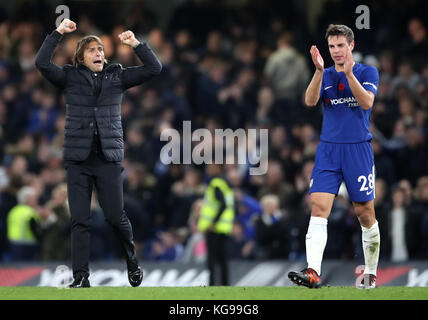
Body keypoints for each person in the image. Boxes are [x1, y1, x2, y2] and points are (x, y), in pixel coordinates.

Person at [35, 18, 162, 288]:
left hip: (107, 159)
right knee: (79, 220)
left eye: (101, 50)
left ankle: (132, 262)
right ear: (80, 57)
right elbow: (42, 64)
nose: (99, 54)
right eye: (93, 50)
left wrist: (136, 44)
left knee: (116, 216)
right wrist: (57, 33)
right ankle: (81, 278)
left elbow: (154, 68)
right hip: (78, 160)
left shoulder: (117, 76)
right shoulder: (69, 77)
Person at [288, 24, 380, 289]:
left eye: (341, 45)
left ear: (351, 46)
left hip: (357, 149)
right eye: (331, 47)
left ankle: (370, 272)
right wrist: (317, 72)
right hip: (329, 149)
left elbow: (366, 103)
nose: (336, 51)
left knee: (365, 213)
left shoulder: (367, 72)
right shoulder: (325, 74)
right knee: (318, 208)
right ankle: (313, 272)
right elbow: (309, 100)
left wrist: (350, 76)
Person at [197, 164, 235, 286]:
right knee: (223, 259)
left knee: (212, 260)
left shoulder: (216, 183)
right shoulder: (225, 183)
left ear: (218, 168)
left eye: (211, 166)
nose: (208, 168)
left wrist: (213, 223)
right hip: (224, 228)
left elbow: (222, 205)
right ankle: (225, 285)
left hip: (214, 229)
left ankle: (212, 285)